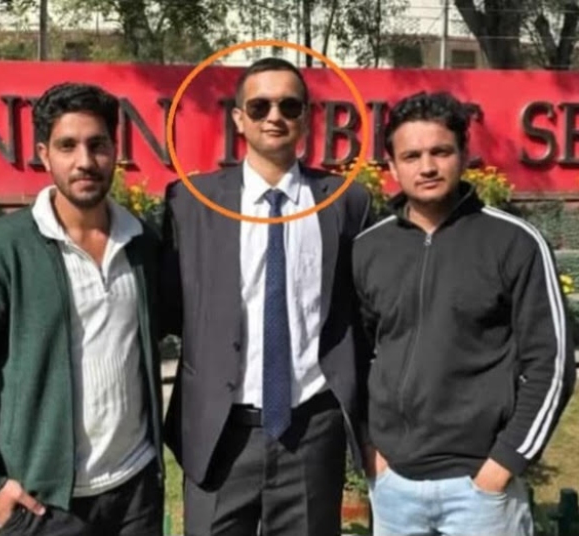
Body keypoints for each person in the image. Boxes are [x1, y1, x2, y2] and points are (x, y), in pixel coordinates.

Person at [161, 57, 373, 536]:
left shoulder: (345, 201)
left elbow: (359, 312)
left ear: (306, 118)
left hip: (311, 429)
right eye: (259, 106)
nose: (274, 116)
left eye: (288, 105)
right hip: (220, 432)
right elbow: (171, 308)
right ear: (239, 119)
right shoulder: (190, 202)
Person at [0, 82, 165, 536]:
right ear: (45, 155)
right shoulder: (5, 248)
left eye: (97, 144)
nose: (85, 160)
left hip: (136, 490)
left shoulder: (141, 242)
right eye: (68, 146)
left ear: (115, 151)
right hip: (44, 502)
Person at [352, 90, 576, 536]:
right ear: (392, 167)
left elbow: (551, 363)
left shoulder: (514, 242)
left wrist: (505, 462)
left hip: (481, 491)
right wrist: (369, 450)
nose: (427, 166)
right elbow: (351, 360)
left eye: (440, 151)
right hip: (394, 487)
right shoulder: (368, 248)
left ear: (464, 154)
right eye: (411, 156)